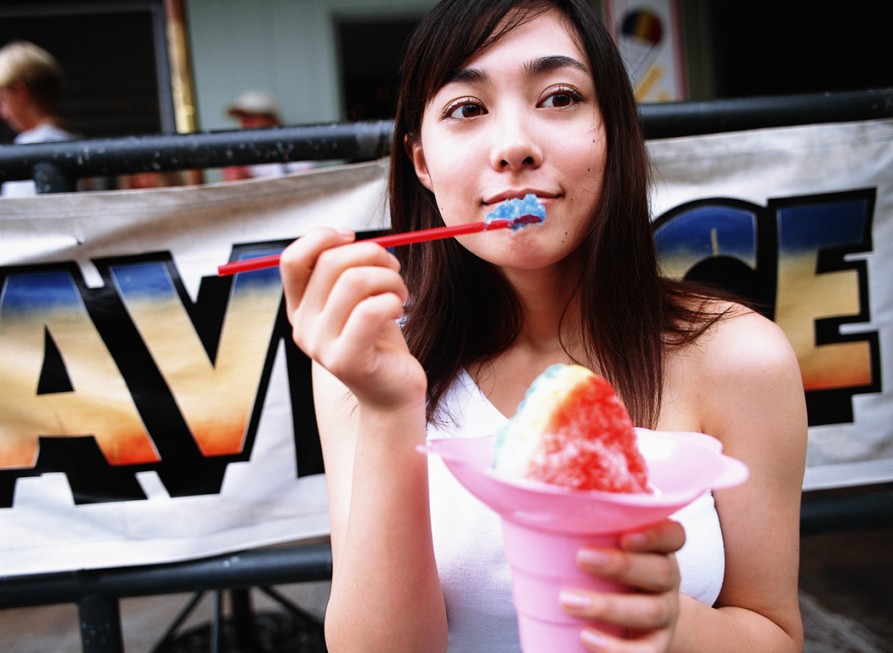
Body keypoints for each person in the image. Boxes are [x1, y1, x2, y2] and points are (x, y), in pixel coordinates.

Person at [280, 1, 808, 651]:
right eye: (466, 109)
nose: (513, 147)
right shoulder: (368, 360)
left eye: (559, 98)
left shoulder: (741, 357)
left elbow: (775, 633)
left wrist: (673, 624)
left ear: (613, 132)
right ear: (421, 162)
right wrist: (391, 409)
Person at [0, 40, 76, 197]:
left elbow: (20, 211)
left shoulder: (27, 150)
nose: (3, 114)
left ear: (21, 92)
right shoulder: (77, 142)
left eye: (2, 101)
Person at [222, 89, 314, 181]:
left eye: (252, 118)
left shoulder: (295, 147)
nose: (246, 124)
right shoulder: (238, 151)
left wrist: (247, 178)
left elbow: (305, 183)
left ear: (272, 120)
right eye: (243, 119)